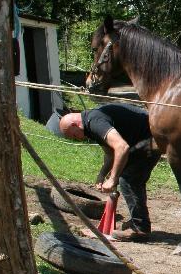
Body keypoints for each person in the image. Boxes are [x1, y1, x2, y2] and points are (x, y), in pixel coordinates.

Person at [57, 103, 161, 241]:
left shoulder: (94, 122)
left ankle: (140, 228)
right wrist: (102, 174)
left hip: (151, 135)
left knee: (129, 179)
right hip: (141, 138)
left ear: (75, 125)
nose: (76, 139)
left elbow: (121, 147)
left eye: (74, 136)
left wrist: (113, 178)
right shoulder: (90, 124)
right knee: (131, 178)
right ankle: (139, 221)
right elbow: (110, 154)